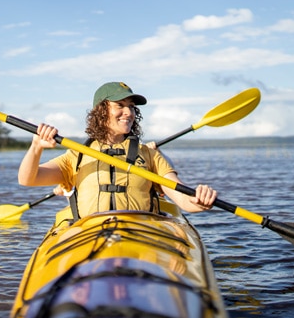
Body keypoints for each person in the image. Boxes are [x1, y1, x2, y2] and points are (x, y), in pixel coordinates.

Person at [18, 82, 217, 218]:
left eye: (131, 107)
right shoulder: (76, 156)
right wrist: (36, 147)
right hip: (91, 235)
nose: (128, 112)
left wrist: (200, 202)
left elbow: (183, 200)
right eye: (120, 105)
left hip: (140, 234)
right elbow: (28, 179)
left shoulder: (150, 154)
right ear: (100, 111)